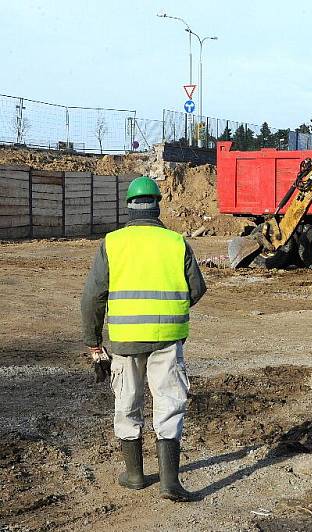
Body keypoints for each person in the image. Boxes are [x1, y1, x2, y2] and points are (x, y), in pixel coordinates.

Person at [81, 176, 206, 502]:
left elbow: (92, 297)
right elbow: (197, 289)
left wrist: (94, 343)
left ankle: (135, 475)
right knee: (169, 404)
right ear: (158, 204)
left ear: (129, 206)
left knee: (127, 403)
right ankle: (170, 483)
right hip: (167, 339)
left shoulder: (112, 242)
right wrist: (168, 309)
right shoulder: (176, 242)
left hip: (125, 342)